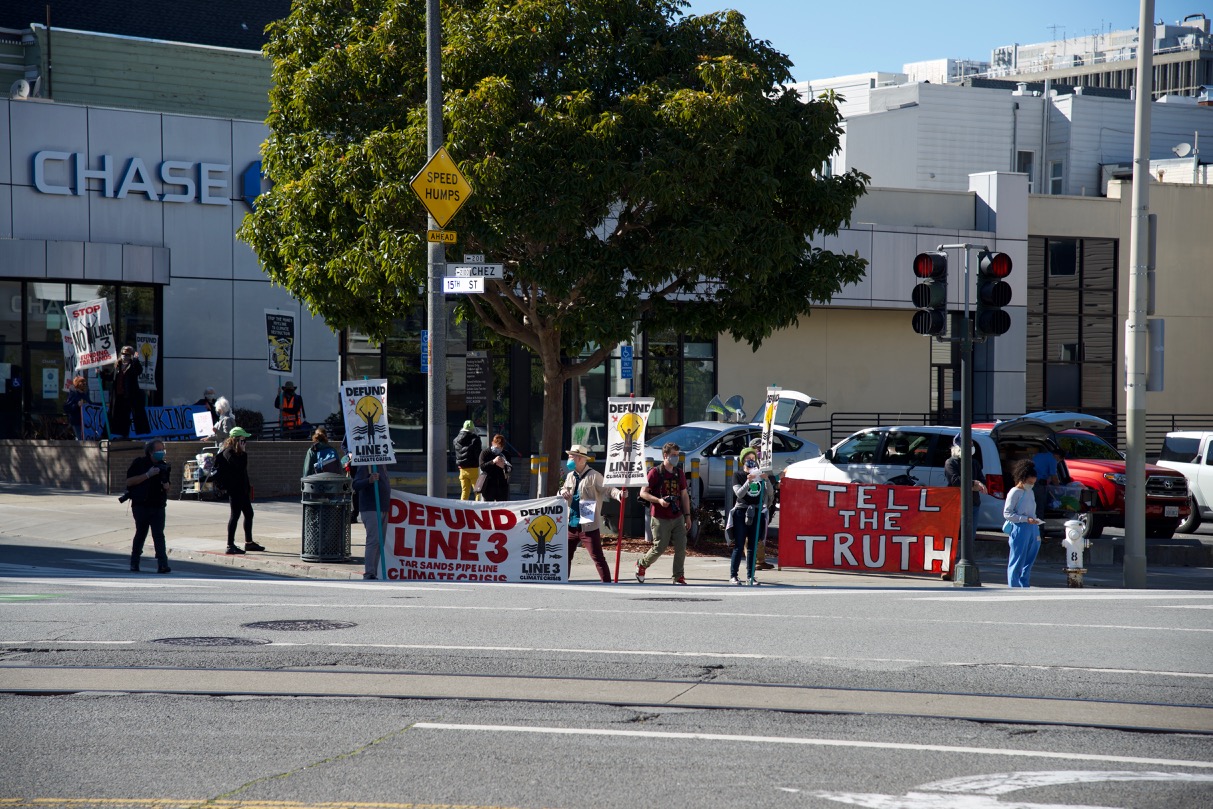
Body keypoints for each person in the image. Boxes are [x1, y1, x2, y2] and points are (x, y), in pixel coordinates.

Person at [559, 444, 627, 583]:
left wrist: (619, 494)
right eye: (569, 456)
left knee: (597, 556)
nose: (569, 459)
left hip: (587, 522)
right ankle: (563, 581)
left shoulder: (594, 476)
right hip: (571, 523)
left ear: (581, 459)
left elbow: (608, 490)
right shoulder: (570, 476)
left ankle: (607, 583)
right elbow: (562, 490)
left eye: (572, 457)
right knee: (565, 556)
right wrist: (562, 492)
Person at [636, 442, 693, 585]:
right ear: (665, 455)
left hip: (677, 515)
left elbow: (684, 495)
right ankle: (642, 564)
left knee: (681, 547)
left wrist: (687, 515)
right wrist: (659, 500)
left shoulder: (679, 473)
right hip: (660, 517)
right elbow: (643, 493)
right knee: (659, 547)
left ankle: (678, 576)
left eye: (677, 455)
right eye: (673, 455)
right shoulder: (655, 472)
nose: (676, 458)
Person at [727, 446, 774, 585]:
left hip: (756, 512)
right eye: (748, 459)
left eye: (753, 458)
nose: (751, 461)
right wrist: (749, 481)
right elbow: (739, 494)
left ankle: (750, 576)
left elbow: (769, 493)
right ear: (743, 461)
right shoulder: (738, 475)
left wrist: (766, 480)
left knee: (753, 545)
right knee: (739, 544)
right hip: (742, 512)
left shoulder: (760, 474)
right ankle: (733, 575)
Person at [124, 439, 172, 574]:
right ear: (150, 452)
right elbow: (129, 481)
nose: (161, 452)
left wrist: (166, 486)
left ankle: (162, 564)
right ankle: (134, 562)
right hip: (141, 505)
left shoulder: (164, 466)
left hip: (158, 505)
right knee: (141, 533)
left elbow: (167, 484)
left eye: (162, 450)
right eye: (158, 450)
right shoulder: (139, 463)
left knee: (158, 535)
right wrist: (148, 475)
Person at [943, 437, 988, 580]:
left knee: (969, 538)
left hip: (973, 504)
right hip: (956, 504)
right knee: (953, 538)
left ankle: (966, 566)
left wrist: (975, 484)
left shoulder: (974, 463)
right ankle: (948, 568)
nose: (970, 448)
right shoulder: (951, 462)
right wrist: (973, 483)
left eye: (971, 445)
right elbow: (955, 481)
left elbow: (983, 481)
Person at [215, 426, 264, 554]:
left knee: (249, 514)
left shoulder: (237, 452)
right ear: (237, 440)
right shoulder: (228, 453)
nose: (245, 442)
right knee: (235, 516)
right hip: (235, 490)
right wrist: (243, 452)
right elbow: (240, 467)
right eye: (243, 439)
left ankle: (249, 542)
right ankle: (230, 545)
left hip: (242, 489)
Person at [1004, 459, 1045, 588]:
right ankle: (1014, 585)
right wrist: (1025, 519)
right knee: (1017, 559)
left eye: (1033, 482)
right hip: (1020, 528)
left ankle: (1024, 584)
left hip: (1033, 528)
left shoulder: (1030, 491)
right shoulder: (1014, 492)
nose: (1031, 485)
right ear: (1022, 479)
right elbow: (1007, 513)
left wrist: (1033, 521)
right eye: (1029, 482)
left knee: (1029, 559)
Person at [353, 462, 391, 580]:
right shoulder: (367, 465)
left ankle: (374, 572)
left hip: (383, 507)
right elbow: (355, 484)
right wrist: (368, 480)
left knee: (380, 542)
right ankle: (369, 573)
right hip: (371, 508)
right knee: (373, 540)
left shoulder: (382, 465)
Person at [109, 345, 149, 439]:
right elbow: (111, 377)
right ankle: (120, 433)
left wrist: (135, 360)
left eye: (127, 355)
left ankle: (127, 434)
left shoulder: (133, 366)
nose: (124, 356)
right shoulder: (117, 366)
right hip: (119, 396)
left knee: (129, 416)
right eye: (123, 354)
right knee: (118, 416)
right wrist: (101, 374)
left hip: (129, 396)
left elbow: (139, 371)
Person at [453, 420, 483, 500]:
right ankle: (478, 508)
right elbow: (478, 455)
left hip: (462, 469)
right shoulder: (475, 439)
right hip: (473, 468)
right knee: (478, 491)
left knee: (465, 491)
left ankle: (463, 508)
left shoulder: (456, 440)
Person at [478, 434, 512, 502]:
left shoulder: (505, 454)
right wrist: (493, 462)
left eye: (500, 448)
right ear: (492, 443)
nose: (498, 449)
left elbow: (510, 468)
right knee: (488, 506)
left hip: (502, 485)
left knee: (502, 506)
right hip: (488, 485)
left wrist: (503, 466)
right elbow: (482, 467)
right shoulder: (485, 453)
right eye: (496, 447)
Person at [1031, 444, 1062, 516]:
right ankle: (1039, 526)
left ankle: (1029, 526)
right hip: (1039, 485)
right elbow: (1054, 476)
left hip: (1029, 483)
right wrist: (1058, 489)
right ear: (1057, 456)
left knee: (1030, 507)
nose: (1058, 461)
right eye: (1059, 460)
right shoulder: (1053, 460)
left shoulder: (1038, 455)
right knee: (1039, 509)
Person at [63, 376, 92, 441]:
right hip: (76, 421)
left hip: (85, 421)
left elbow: (89, 404)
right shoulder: (73, 394)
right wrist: (77, 405)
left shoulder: (85, 394)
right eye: (82, 382)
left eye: (84, 382)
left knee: (85, 438)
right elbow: (67, 407)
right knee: (81, 439)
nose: (84, 384)